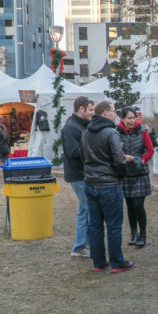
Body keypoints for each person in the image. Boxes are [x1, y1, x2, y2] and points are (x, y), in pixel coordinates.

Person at [80, 100, 132, 273]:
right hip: (109, 184)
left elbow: (83, 156)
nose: (115, 114)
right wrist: (122, 173)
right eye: (113, 111)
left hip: (91, 183)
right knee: (113, 225)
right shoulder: (111, 132)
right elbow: (119, 159)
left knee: (95, 224)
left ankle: (99, 261)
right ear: (105, 113)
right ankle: (117, 263)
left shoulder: (86, 132)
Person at [62, 96, 94, 258]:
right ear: (81, 109)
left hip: (85, 174)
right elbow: (73, 152)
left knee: (84, 210)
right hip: (77, 175)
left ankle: (81, 245)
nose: (92, 113)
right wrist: (93, 152)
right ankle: (81, 246)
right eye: (90, 110)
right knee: (88, 208)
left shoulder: (83, 126)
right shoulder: (70, 127)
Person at [117, 107, 154, 248]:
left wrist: (142, 161)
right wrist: (123, 157)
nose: (132, 121)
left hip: (140, 172)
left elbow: (150, 150)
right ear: (122, 119)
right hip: (126, 173)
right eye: (129, 118)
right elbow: (115, 150)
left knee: (138, 205)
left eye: (134, 118)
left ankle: (142, 234)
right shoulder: (117, 133)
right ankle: (133, 234)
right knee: (130, 206)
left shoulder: (142, 131)